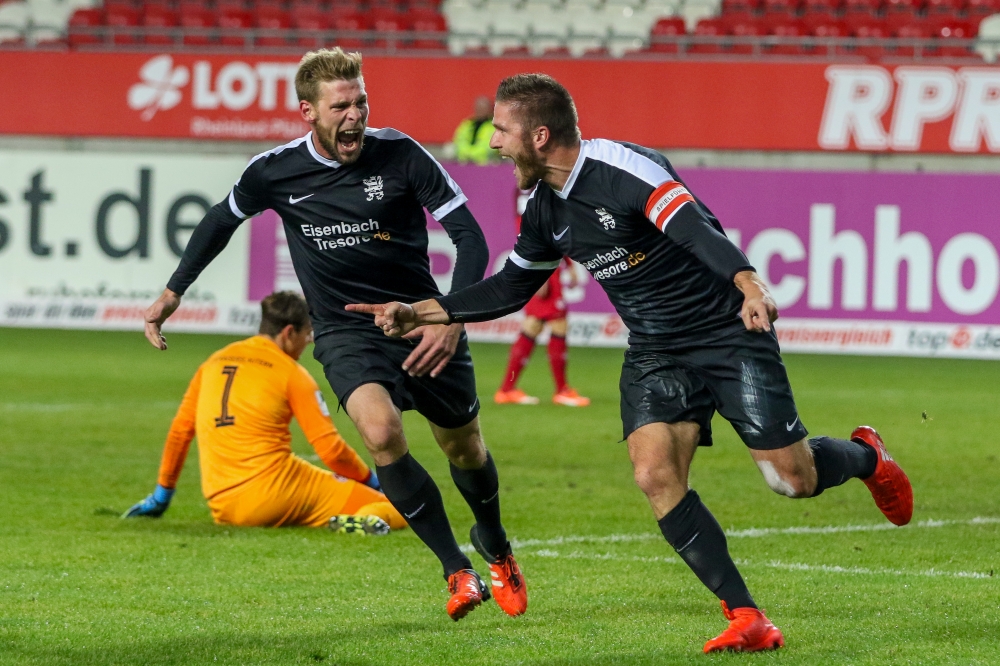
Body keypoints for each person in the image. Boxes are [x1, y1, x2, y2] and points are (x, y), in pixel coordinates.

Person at [347, 73, 914, 653]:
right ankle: (748, 616)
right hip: (655, 349)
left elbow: (696, 229)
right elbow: (511, 288)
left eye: (501, 130)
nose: (492, 143)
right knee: (654, 474)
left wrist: (747, 281)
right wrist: (424, 312)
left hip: (725, 331)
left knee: (791, 481)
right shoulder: (543, 208)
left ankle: (869, 457)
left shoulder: (624, 168)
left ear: (539, 135)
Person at [142, 49, 527, 622]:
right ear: (308, 112)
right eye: (341, 106)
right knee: (379, 431)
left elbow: (470, 239)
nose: (356, 116)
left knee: (463, 447)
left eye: (362, 102)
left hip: (422, 320)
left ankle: (495, 545)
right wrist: (174, 291)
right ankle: (457, 569)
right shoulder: (273, 171)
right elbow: (220, 220)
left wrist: (450, 318)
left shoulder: (401, 154)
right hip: (348, 330)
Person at [124, 291, 405, 535]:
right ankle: (358, 521)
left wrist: (163, 494)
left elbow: (180, 431)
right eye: (307, 334)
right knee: (400, 507)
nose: (309, 342)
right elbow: (330, 449)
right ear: (288, 333)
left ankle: (335, 519)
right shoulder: (291, 373)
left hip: (223, 505)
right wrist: (373, 481)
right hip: (274, 492)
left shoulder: (214, 361)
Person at [494, 258, 590, 407]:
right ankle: (562, 390)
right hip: (545, 268)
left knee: (533, 326)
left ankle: (507, 389)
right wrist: (539, 273)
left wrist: (569, 265)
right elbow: (533, 236)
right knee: (557, 323)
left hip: (548, 267)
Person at [452, 96, 499, 165]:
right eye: (478, 108)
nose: (480, 110)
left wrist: (472, 154)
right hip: (465, 160)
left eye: (483, 108)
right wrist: (466, 153)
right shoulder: (467, 124)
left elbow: (490, 147)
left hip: (486, 163)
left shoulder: (495, 126)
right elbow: (459, 141)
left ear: (490, 109)